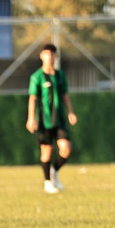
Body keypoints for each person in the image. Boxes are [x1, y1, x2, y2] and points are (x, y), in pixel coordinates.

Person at [26, 43, 78, 194]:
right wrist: (31, 118)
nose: (49, 57)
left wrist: (70, 112)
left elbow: (65, 96)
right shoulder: (37, 77)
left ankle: (54, 171)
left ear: (56, 56)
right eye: (46, 54)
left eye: (52, 55)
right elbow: (33, 99)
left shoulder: (60, 75)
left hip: (59, 119)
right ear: (41, 56)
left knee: (66, 148)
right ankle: (48, 182)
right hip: (44, 120)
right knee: (47, 151)